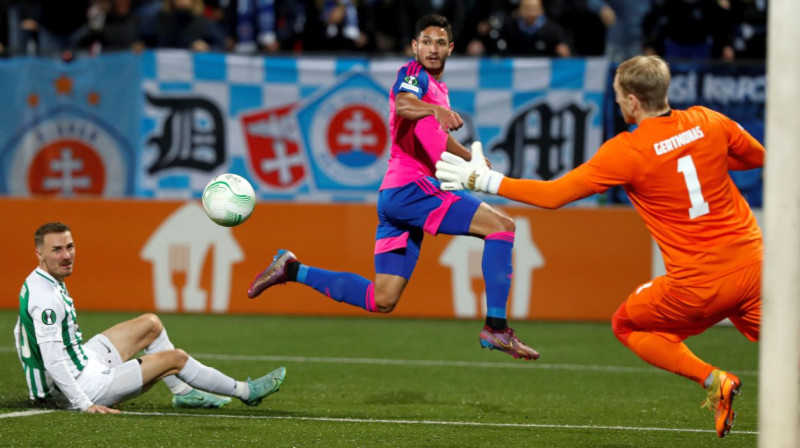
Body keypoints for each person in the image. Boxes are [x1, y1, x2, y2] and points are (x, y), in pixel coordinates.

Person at [435, 55, 762, 438]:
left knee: (625, 324)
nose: (619, 103)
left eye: (619, 96)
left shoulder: (627, 151)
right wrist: (705, 162)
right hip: (755, 268)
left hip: (699, 284)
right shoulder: (710, 121)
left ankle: (713, 380)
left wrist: (486, 180)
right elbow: (757, 157)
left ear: (633, 102)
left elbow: (554, 195)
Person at [248, 14, 539, 361]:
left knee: (382, 299)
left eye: (440, 42)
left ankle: (291, 268)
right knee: (502, 227)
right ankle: (496, 327)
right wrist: (434, 110)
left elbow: (434, 139)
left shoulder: (438, 88)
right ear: (415, 46)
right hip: (413, 189)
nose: (433, 48)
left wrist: (469, 158)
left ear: (451, 48)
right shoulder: (413, 75)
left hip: (395, 199)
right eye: (426, 42)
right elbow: (404, 104)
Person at [14, 222, 286, 413]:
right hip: (84, 386)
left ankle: (184, 394)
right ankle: (244, 391)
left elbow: (21, 334)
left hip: (84, 361)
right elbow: (52, 359)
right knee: (175, 359)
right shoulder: (46, 299)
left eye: (69, 247)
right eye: (57, 250)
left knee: (151, 324)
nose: (67, 255)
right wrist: (82, 402)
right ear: (39, 254)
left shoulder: (40, 280)